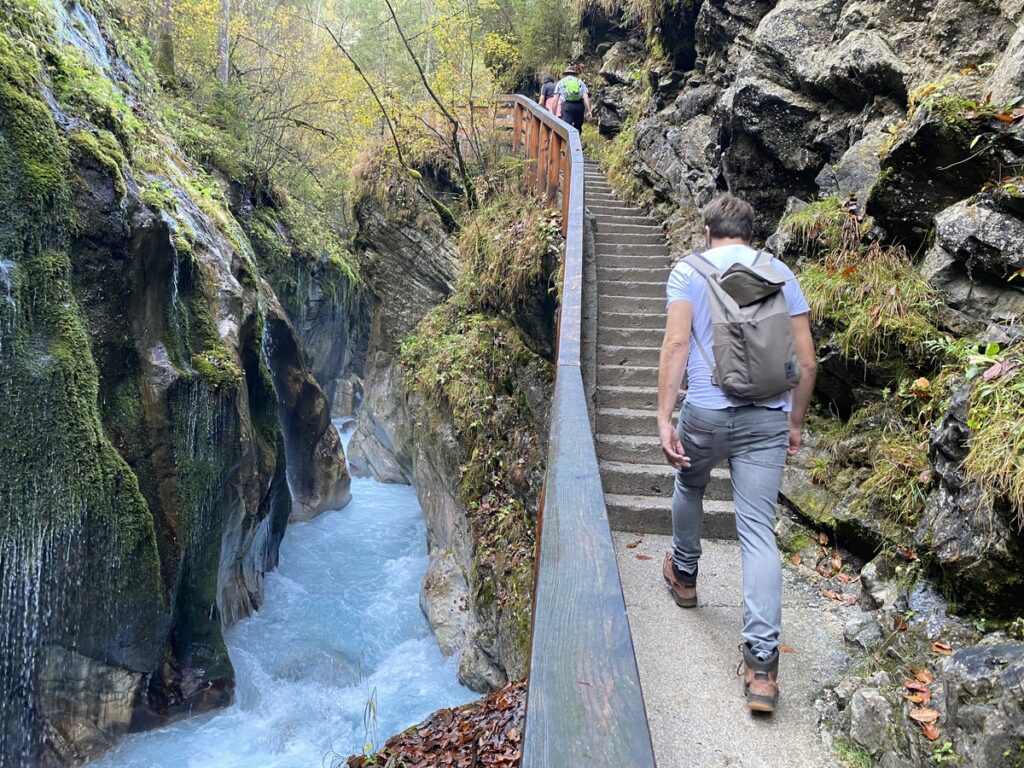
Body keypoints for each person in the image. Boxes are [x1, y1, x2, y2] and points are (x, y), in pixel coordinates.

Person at [656, 194, 818, 714]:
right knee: (756, 531)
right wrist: (794, 422)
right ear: (751, 232)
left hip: (704, 412)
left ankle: (684, 573)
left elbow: (677, 346)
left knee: (690, 484)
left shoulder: (688, 272)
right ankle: (763, 669)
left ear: (708, 230)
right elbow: (807, 362)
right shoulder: (781, 273)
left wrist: (663, 417)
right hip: (767, 419)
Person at [553, 66, 592, 132]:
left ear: (565, 74)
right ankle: (577, 140)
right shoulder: (579, 82)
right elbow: (586, 97)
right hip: (579, 105)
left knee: (566, 126)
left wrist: (553, 114)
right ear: (574, 74)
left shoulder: (561, 82)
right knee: (578, 125)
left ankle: (567, 141)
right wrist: (589, 111)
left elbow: (555, 99)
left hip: (567, 105)